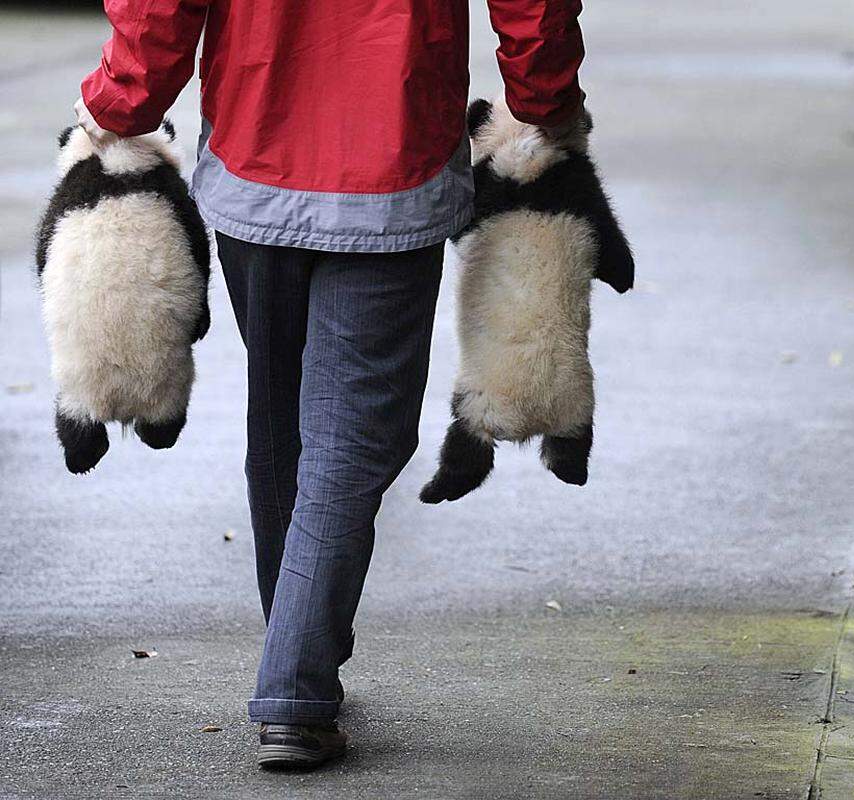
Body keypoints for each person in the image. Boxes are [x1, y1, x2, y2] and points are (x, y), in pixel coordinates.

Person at [75, 0, 586, 769]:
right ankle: (297, 684)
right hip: (394, 159)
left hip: (256, 156)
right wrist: (546, 101)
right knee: (349, 439)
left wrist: (120, 101)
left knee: (284, 419)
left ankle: (301, 635)